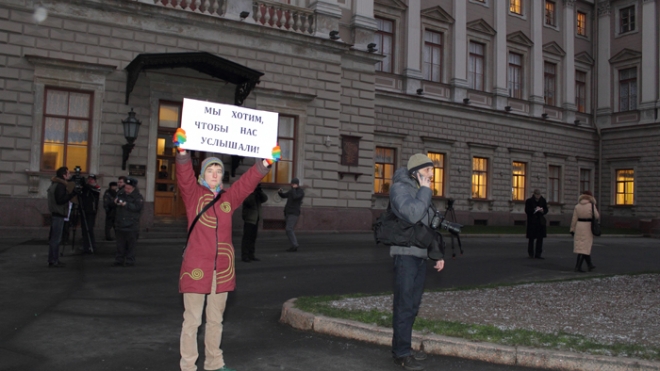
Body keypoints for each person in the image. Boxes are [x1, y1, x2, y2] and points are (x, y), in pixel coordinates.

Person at [175, 145, 272, 371]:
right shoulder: (193, 195)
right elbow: (184, 175)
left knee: (216, 320)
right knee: (192, 321)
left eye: (218, 170)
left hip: (223, 269)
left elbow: (247, 183)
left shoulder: (229, 199)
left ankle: (214, 364)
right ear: (203, 175)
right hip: (197, 267)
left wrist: (265, 163)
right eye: (210, 170)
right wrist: (182, 153)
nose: (215, 174)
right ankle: (188, 366)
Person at [390, 154, 445, 371]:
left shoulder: (419, 190)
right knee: (404, 304)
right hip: (405, 255)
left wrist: (437, 254)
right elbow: (412, 214)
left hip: (420, 254)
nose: (432, 175)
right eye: (429, 171)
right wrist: (425, 190)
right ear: (417, 171)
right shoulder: (399, 189)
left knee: (412, 305)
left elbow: (427, 226)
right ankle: (401, 353)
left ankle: (404, 348)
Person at [46, 166, 77, 268]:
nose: (70, 175)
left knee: (55, 238)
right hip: (58, 214)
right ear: (64, 175)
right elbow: (60, 200)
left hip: (56, 213)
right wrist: (71, 194)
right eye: (68, 173)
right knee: (56, 239)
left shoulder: (55, 184)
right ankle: (53, 260)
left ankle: (54, 259)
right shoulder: (60, 185)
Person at [112, 177, 143, 267]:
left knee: (131, 245)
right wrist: (115, 202)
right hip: (120, 224)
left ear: (133, 188)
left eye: (129, 188)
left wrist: (126, 204)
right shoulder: (121, 193)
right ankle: (119, 259)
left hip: (131, 225)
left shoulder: (138, 196)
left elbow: (137, 208)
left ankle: (130, 260)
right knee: (120, 245)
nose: (127, 190)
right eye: (126, 187)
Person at [570, 190, 599, 272]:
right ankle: (578, 266)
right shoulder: (591, 206)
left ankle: (590, 265)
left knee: (581, 247)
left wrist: (572, 229)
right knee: (585, 247)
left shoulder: (577, 206)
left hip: (579, 226)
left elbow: (574, 219)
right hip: (587, 226)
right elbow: (597, 216)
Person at [241, 183, 268, 262]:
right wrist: (253, 192)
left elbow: (265, 199)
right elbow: (249, 202)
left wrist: (260, 192)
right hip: (249, 218)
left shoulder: (257, 193)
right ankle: (245, 255)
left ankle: (251, 254)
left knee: (253, 238)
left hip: (255, 219)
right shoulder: (247, 192)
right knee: (247, 238)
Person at [278, 178, 304, 252]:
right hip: (288, 212)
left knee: (289, 228)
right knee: (289, 229)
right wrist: (280, 192)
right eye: (292, 183)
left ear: (297, 184)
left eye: (293, 183)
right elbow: (284, 196)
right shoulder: (291, 191)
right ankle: (293, 245)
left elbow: (296, 197)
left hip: (294, 213)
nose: (292, 185)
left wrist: (293, 189)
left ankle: (295, 245)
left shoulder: (300, 192)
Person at [80, 174, 100, 254]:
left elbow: (95, 191)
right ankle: (85, 245)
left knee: (89, 229)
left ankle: (91, 245)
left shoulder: (96, 187)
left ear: (95, 180)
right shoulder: (85, 188)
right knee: (84, 229)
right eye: (89, 179)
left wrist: (85, 186)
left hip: (91, 211)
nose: (90, 180)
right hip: (84, 210)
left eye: (92, 179)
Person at [525, 189, 548, 259]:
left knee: (540, 239)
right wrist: (534, 210)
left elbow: (546, 210)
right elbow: (527, 210)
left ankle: (538, 254)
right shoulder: (529, 201)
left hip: (540, 222)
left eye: (539, 195)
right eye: (536, 194)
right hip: (532, 222)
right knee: (531, 238)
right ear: (534, 194)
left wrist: (542, 210)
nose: (538, 196)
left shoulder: (543, 200)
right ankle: (531, 253)